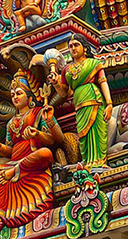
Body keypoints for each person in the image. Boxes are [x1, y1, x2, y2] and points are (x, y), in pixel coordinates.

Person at [0, 69, 63, 238]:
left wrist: (38, 133)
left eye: (19, 93)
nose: (15, 97)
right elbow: (9, 151)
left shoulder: (38, 113)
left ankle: (13, 174)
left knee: (45, 153)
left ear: (30, 98)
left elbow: (54, 140)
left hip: (31, 162)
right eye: (13, 94)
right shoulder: (11, 123)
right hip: (14, 162)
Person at [48, 33, 113, 169]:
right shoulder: (67, 69)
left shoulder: (94, 64)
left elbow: (103, 82)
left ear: (84, 47)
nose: (73, 48)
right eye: (70, 46)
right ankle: (89, 161)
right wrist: (55, 83)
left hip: (94, 100)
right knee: (83, 134)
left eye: (76, 45)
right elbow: (64, 93)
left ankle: (99, 162)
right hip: (78, 106)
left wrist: (109, 104)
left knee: (96, 131)